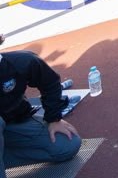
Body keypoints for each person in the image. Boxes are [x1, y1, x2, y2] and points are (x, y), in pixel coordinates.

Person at [0, 41, 82, 177]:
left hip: (13, 125)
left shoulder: (21, 62)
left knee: (67, 145)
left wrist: (54, 118)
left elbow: (50, 82)